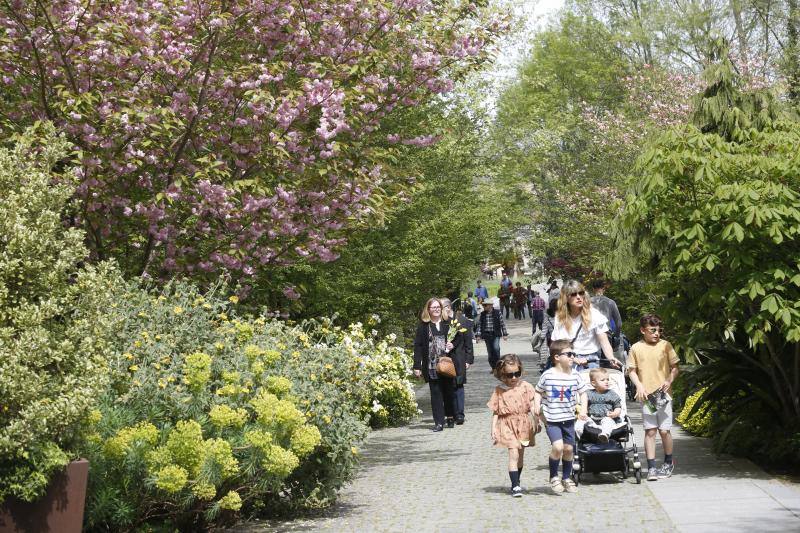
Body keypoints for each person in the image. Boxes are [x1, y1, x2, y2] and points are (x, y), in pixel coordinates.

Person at [628, 314, 680, 481]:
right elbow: (632, 370)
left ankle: (668, 462)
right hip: (648, 397)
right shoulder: (636, 348)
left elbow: (675, 367)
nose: (657, 333)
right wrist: (639, 385)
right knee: (650, 431)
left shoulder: (666, 346)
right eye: (653, 330)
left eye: (659, 330)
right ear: (643, 330)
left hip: (663, 396)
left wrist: (669, 380)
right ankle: (651, 467)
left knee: (664, 431)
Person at [533, 340, 588, 495]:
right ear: (557, 357)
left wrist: (583, 410)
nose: (572, 357)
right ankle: (553, 477)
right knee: (558, 447)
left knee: (569, 449)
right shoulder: (548, 375)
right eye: (569, 354)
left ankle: (566, 478)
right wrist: (537, 406)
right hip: (552, 419)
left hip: (569, 419)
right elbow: (538, 391)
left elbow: (583, 393)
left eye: (573, 354)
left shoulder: (576, 375)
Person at [488, 354, 538, 497]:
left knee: (520, 455)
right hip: (507, 424)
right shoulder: (499, 390)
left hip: (523, 424)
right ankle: (515, 486)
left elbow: (534, 406)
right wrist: (493, 429)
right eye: (510, 375)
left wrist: (536, 420)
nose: (514, 378)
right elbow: (496, 412)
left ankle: (517, 478)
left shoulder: (527, 387)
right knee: (513, 453)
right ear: (502, 375)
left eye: (517, 373)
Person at [551, 280, 621, 370]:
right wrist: (573, 358)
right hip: (569, 359)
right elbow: (558, 343)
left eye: (581, 293)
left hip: (592, 361)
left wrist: (611, 358)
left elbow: (604, 342)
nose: (578, 297)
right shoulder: (560, 317)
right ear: (566, 298)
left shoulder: (594, 314)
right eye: (573, 294)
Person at [413, 298, 456, 431]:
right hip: (431, 366)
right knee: (435, 393)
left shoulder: (448, 324)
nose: (436, 309)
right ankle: (438, 422)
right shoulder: (423, 326)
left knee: (448, 392)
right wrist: (417, 366)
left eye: (438, 307)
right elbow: (418, 346)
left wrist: (452, 345)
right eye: (433, 307)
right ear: (428, 310)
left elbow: (459, 340)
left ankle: (450, 416)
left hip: (447, 363)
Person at [442, 298, 474, 425]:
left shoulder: (461, 320)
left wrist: (468, 359)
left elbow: (468, 342)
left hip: (459, 358)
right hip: (445, 359)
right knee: (448, 386)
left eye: (442, 307)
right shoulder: (441, 322)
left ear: (448, 307)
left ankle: (460, 414)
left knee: (458, 385)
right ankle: (451, 413)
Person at [575, 368, 622, 443]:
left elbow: (618, 406)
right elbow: (582, 406)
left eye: (607, 379)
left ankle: (604, 434)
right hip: (592, 419)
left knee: (608, 422)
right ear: (593, 383)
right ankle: (577, 434)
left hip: (607, 417)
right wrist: (582, 413)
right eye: (603, 380)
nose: (606, 382)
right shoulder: (588, 394)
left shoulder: (612, 394)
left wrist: (615, 413)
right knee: (581, 420)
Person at [590, 279, 624, 363]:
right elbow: (618, 323)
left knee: (593, 362)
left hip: (591, 335)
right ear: (604, 289)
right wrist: (616, 336)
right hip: (606, 335)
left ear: (593, 289)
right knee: (606, 362)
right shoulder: (610, 302)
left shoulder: (588, 302)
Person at [476, 298, 508, 370]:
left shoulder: (497, 312)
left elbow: (502, 324)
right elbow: (479, 325)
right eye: (483, 305)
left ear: (490, 305)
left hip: (496, 334)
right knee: (490, 353)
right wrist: (478, 335)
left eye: (485, 305)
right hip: (487, 335)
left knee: (496, 348)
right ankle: (493, 367)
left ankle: (498, 365)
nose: (484, 307)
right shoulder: (482, 314)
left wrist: (505, 334)